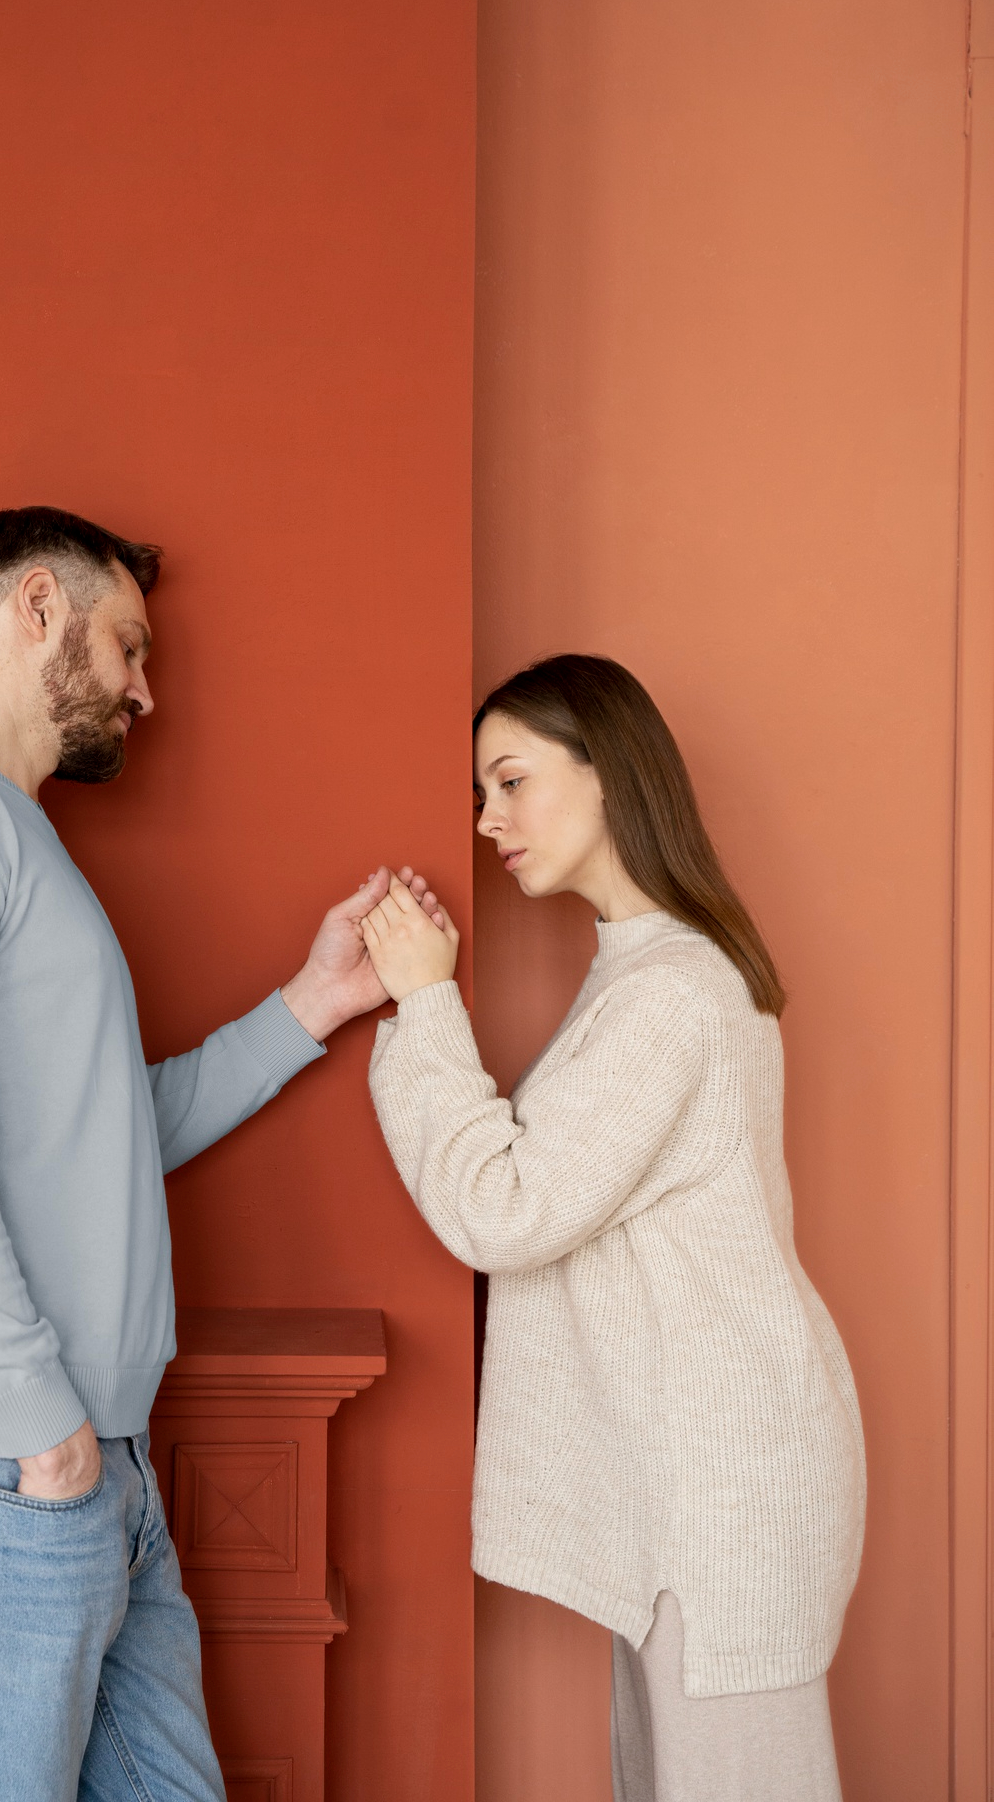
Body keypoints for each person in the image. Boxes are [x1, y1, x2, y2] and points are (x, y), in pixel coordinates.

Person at [0, 505, 421, 1802]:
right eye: (131, 646)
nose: (145, 690)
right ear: (38, 607)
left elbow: (107, 1133)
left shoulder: (13, 836)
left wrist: (316, 1001)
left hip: (74, 1465)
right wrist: (39, 1426)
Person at [360, 653, 865, 1802]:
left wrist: (426, 998)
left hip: (725, 1496)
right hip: (689, 1483)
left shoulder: (675, 995)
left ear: (607, 773)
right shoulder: (642, 972)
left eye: (510, 780)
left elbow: (504, 1206)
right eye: (480, 793)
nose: (488, 819)